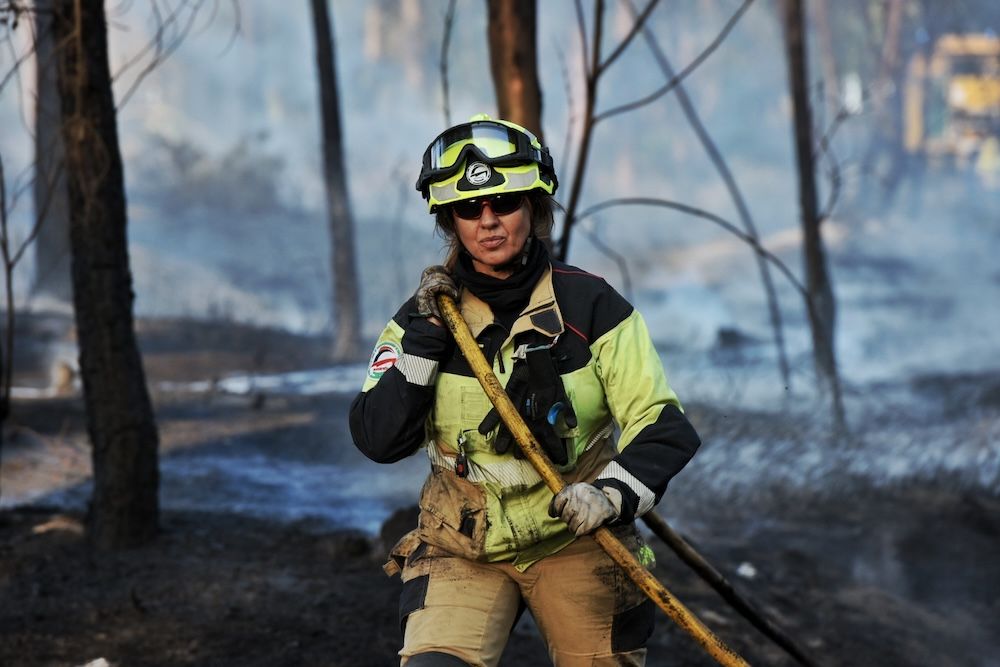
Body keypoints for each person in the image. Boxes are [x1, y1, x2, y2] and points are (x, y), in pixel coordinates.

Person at [349, 114, 701, 667]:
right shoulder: (425, 319)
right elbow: (377, 438)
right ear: (449, 220)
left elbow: (664, 425)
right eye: (469, 209)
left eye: (505, 203)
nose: (488, 222)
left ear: (534, 209)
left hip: (578, 539)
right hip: (461, 545)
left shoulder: (592, 306)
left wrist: (607, 496)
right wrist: (424, 344)